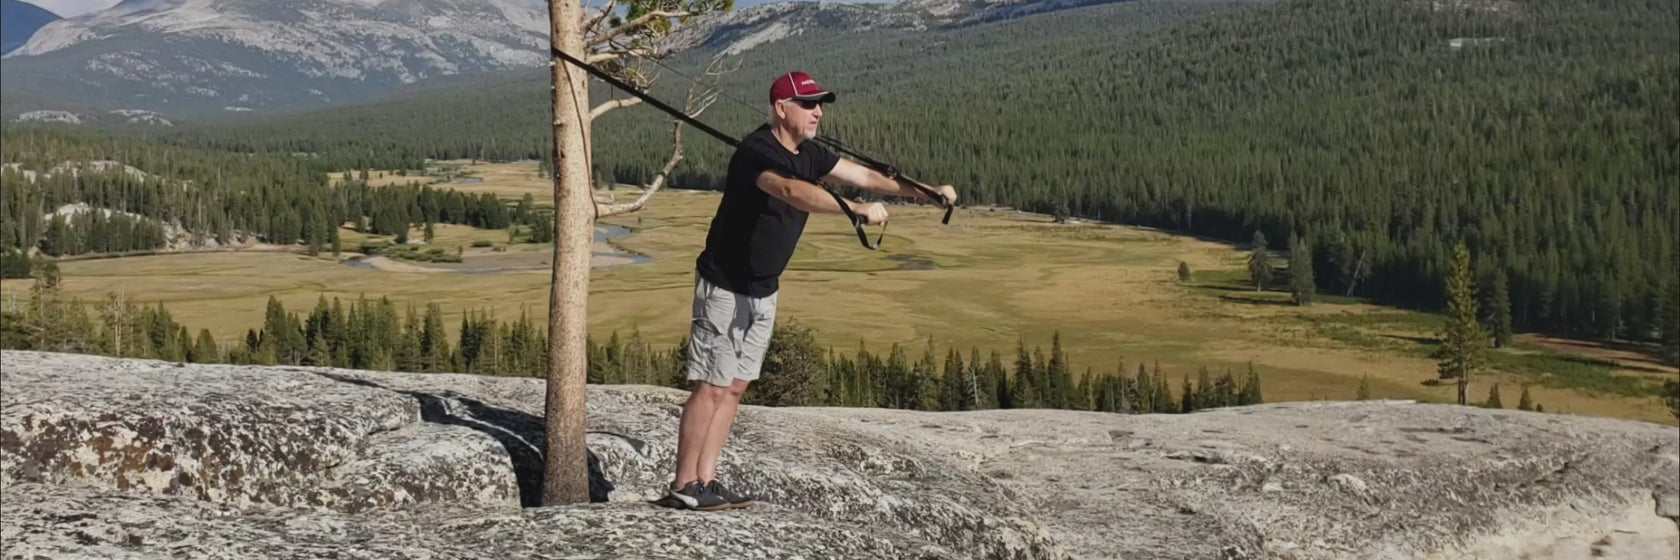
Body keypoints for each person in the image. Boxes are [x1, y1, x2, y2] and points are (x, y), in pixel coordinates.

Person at [658, 71, 958, 511]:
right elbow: (790, 190)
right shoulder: (755, 153)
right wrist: (852, 209)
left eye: (821, 103)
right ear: (782, 108)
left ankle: (707, 480)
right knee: (713, 386)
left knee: (736, 386)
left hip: (763, 289)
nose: (818, 111)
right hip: (725, 286)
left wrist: (927, 194)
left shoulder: (810, 153)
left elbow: (869, 177)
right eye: (809, 103)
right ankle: (685, 485)